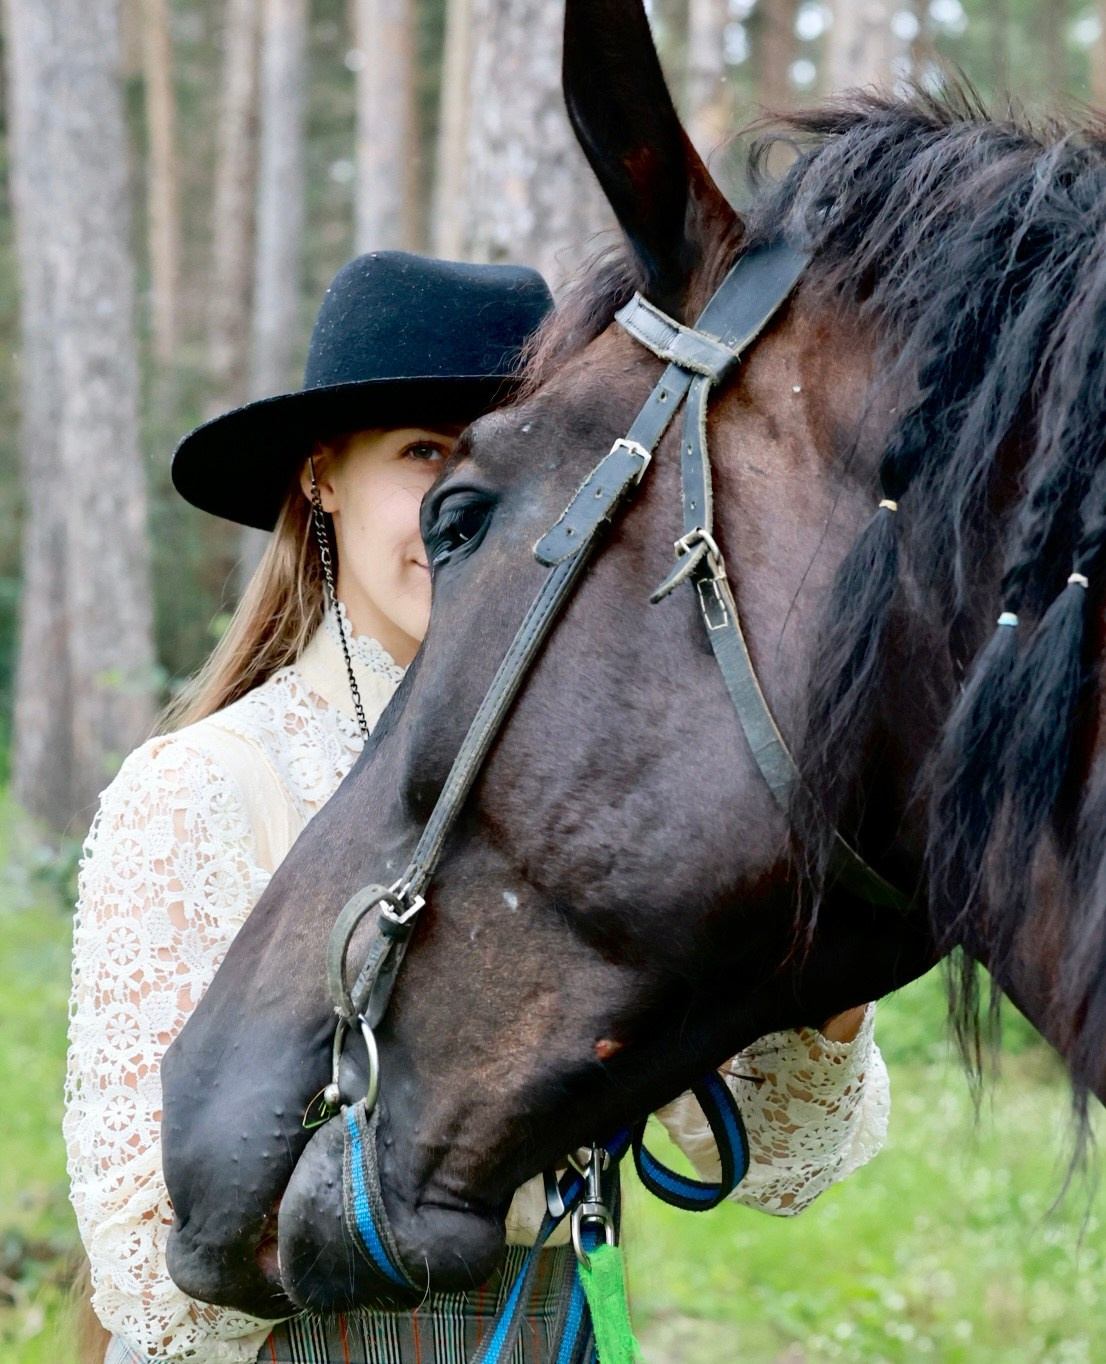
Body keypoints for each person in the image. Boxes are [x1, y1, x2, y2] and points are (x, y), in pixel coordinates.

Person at [65, 250, 891, 1364]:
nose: (469, 515)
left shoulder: (594, 793)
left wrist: (837, 951)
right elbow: (147, 1263)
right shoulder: (206, 787)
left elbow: (779, 1163)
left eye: (511, 471)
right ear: (320, 477)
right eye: (423, 456)